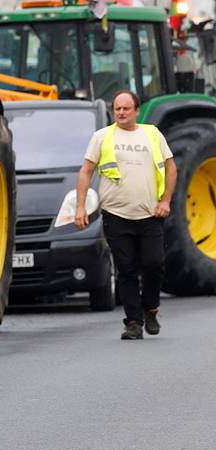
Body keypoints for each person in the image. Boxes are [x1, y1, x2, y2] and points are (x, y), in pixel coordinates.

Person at [75, 90, 177, 339]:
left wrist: (165, 201)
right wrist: (80, 206)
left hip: (150, 214)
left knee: (155, 264)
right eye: (117, 108)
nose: (120, 112)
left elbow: (171, 168)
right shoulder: (102, 137)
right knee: (126, 269)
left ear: (136, 110)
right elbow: (86, 171)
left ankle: (150, 308)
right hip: (116, 214)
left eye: (125, 108)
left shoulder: (152, 134)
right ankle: (133, 322)